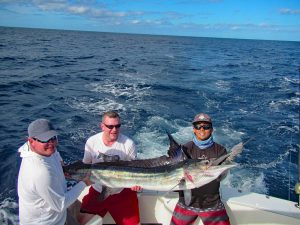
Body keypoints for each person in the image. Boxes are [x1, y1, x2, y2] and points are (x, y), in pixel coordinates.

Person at [17, 118, 93, 225]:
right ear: (30, 141)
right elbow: (60, 205)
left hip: (59, 214)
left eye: (53, 138)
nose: (51, 143)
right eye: (45, 140)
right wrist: (84, 183)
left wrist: (63, 168)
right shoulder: (39, 172)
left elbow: (56, 155)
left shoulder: (43, 149)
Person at [80, 110, 141, 225]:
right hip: (98, 191)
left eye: (118, 126)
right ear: (102, 126)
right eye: (110, 126)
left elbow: (135, 170)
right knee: (81, 222)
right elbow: (85, 166)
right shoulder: (92, 142)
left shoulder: (129, 144)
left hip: (122, 193)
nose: (114, 130)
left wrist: (136, 184)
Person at [170, 113, 231, 225]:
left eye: (206, 127)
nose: (202, 129)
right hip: (186, 202)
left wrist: (226, 166)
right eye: (198, 126)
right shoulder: (185, 149)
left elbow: (221, 177)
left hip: (212, 203)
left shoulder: (221, 151)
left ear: (212, 129)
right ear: (194, 129)